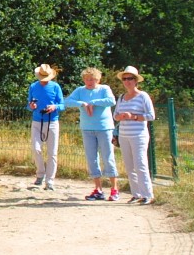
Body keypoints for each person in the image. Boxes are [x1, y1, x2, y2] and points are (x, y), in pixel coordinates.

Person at [63, 67, 120, 201]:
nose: (90, 82)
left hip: (104, 128)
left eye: (92, 79)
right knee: (91, 158)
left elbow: (111, 101)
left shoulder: (104, 89)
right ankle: (98, 189)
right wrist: (82, 103)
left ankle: (114, 188)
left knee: (108, 157)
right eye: (87, 79)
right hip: (87, 128)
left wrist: (93, 103)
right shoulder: (80, 90)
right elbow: (67, 102)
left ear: (98, 79)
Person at [113, 65, 156, 204]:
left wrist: (133, 116)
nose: (127, 81)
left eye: (130, 78)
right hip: (124, 135)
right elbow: (115, 115)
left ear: (136, 80)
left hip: (139, 135)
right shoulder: (121, 97)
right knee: (129, 166)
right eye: (125, 79)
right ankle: (136, 193)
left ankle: (147, 194)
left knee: (140, 164)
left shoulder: (143, 96)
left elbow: (151, 115)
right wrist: (120, 117)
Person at [27, 63, 64, 190]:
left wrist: (54, 107)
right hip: (37, 121)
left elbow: (62, 104)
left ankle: (50, 181)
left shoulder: (55, 87)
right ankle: (40, 174)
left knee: (52, 152)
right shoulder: (33, 86)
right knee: (36, 149)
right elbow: (29, 104)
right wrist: (32, 106)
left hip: (52, 121)